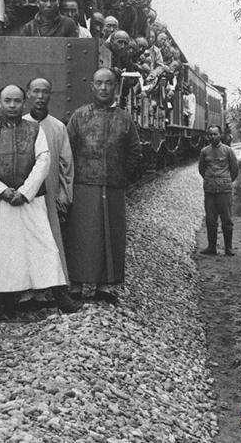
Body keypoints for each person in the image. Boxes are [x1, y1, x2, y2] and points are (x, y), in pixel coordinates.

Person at [0, 85, 80, 316]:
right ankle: (7, 302)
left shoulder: (35, 130)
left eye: (17, 101)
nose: (12, 105)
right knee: (5, 250)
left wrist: (25, 192)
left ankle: (61, 297)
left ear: (23, 103)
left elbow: (44, 160)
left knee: (44, 246)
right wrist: (2, 191)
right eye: (7, 100)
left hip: (31, 200)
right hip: (2, 202)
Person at [65, 68, 141, 305]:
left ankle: (105, 285)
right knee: (80, 235)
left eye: (108, 83)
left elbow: (135, 151)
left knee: (111, 234)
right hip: (83, 185)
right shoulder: (79, 116)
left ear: (115, 87)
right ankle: (76, 284)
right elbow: (67, 151)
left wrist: (122, 176)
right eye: (99, 83)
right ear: (92, 86)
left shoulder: (124, 118)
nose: (103, 88)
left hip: (113, 186)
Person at [23, 77, 74, 291]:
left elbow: (66, 164)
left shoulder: (58, 127)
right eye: (36, 91)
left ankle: (51, 288)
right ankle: (27, 291)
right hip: (25, 195)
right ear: (28, 94)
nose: (40, 97)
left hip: (51, 192)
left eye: (45, 92)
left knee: (51, 239)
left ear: (50, 95)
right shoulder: (20, 124)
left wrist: (64, 194)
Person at [199, 125, 239, 256]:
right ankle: (211, 247)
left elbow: (234, 170)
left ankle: (228, 248)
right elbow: (202, 169)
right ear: (208, 136)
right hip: (210, 191)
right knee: (211, 220)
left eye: (215, 134)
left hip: (224, 190)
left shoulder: (228, 151)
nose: (213, 136)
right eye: (210, 134)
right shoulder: (204, 152)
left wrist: (225, 181)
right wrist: (210, 180)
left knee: (226, 220)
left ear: (220, 135)